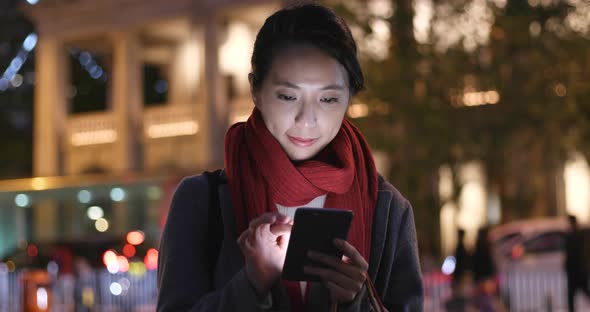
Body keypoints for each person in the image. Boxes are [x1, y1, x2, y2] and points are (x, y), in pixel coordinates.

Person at [157, 3, 423, 311]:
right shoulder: (201, 201)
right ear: (255, 89)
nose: (307, 118)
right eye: (287, 96)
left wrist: (357, 300)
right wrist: (252, 283)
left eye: (328, 98)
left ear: (349, 96)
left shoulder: (387, 208)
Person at [565, 215, 590, 312]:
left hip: (576, 271)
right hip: (577, 271)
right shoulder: (577, 235)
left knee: (573, 295)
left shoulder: (576, 236)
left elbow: (578, 254)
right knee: (575, 294)